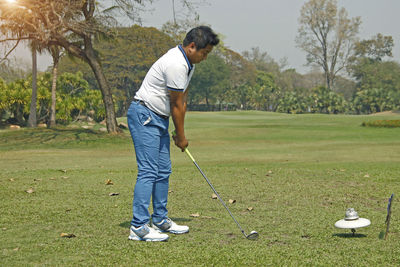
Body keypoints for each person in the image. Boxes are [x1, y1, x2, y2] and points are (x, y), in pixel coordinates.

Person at [127, 26, 220, 241]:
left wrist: (179, 134)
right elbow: (176, 104)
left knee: (163, 171)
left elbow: (183, 101)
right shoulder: (176, 63)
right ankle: (138, 227)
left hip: (158, 118)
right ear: (191, 46)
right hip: (145, 115)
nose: (204, 58)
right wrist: (181, 136)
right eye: (204, 53)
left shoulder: (188, 64)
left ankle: (159, 219)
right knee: (149, 171)